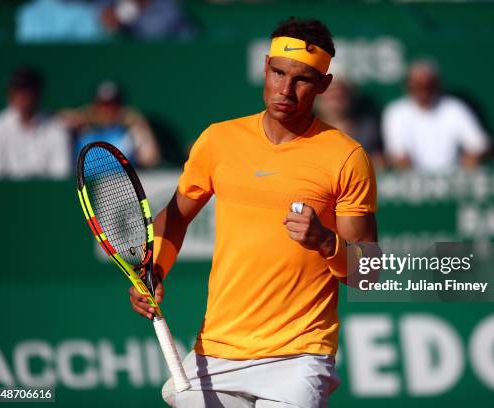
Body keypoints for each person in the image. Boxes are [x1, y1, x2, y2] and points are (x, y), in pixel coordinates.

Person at [128, 17, 378, 407]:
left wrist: (327, 242)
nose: (285, 90)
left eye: (303, 80)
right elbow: (175, 217)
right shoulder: (218, 140)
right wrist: (154, 269)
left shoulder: (346, 156)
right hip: (217, 350)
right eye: (278, 73)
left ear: (324, 86)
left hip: (300, 354)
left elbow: (369, 272)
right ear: (265, 67)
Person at [381, 59, 489, 173]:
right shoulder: (396, 112)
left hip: (453, 178)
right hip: (412, 181)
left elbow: (480, 144)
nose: (423, 92)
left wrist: (473, 156)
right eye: (418, 86)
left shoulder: (454, 108)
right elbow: (397, 154)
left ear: (437, 85)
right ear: (408, 85)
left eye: (428, 86)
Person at [0, 68, 70, 179]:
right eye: (17, 91)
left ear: (37, 94)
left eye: (26, 91)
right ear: (10, 94)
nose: (22, 97)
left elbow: (61, 173)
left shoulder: (57, 129)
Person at [59, 80, 161, 168]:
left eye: (112, 105)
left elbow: (151, 158)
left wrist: (139, 123)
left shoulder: (131, 130)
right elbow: (61, 121)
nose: (107, 110)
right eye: (102, 105)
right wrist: (84, 116)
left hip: (122, 185)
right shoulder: (82, 130)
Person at [314, 78, 386, 170]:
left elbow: (379, 161)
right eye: (330, 92)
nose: (336, 95)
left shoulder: (369, 129)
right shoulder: (305, 130)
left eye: (340, 92)